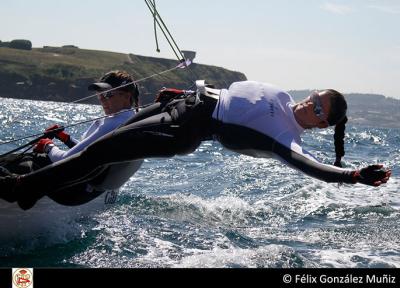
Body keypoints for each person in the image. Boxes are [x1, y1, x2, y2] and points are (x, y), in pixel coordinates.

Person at [1, 80, 391, 209]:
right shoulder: (283, 97)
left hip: (184, 133)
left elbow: (312, 169)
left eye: (319, 109)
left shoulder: (285, 137)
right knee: (107, 141)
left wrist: (352, 175)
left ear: (322, 124)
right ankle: (41, 185)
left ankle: (25, 191)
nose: (312, 104)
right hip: (184, 105)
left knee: (102, 151)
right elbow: (230, 96)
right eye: (316, 97)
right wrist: (185, 92)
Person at [33, 70, 140, 162]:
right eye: (99, 95)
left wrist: (48, 145)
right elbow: (86, 151)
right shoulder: (128, 119)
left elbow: (64, 159)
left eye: (107, 94)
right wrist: (66, 138)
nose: (102, 100)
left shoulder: (113, 125)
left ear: (126, 96)